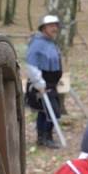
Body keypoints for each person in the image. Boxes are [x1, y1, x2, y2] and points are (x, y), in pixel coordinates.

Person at [26, 15, 63, 148]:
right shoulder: (37, 43)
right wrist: (39, 83)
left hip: (51, 84)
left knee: (47, 111)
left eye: (55, 25)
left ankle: (46, 137)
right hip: (40, 84)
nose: (54, 28)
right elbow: (31, 64)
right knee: (48, 111)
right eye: (51, 26)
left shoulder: (50, 42)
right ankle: (43, 138)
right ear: (44, 28)